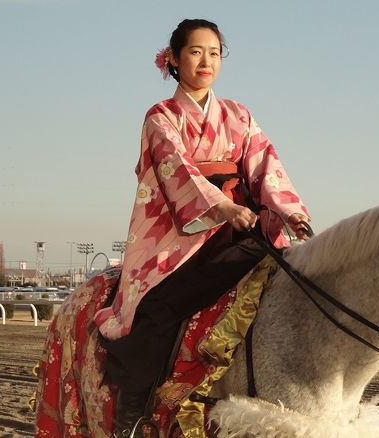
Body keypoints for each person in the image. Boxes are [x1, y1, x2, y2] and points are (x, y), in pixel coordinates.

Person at [92, 19, 311, 435]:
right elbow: (179, 174)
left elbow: (265, 166)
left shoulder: (238, 114)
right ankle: (131, 417)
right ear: (174, 58)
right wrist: (223, 207)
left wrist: (288, 210)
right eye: (195, 51)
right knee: (158, 309)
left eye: (214, 53)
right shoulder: (161, 117)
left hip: (240, 225)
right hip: (179, 235)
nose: (206, 61)